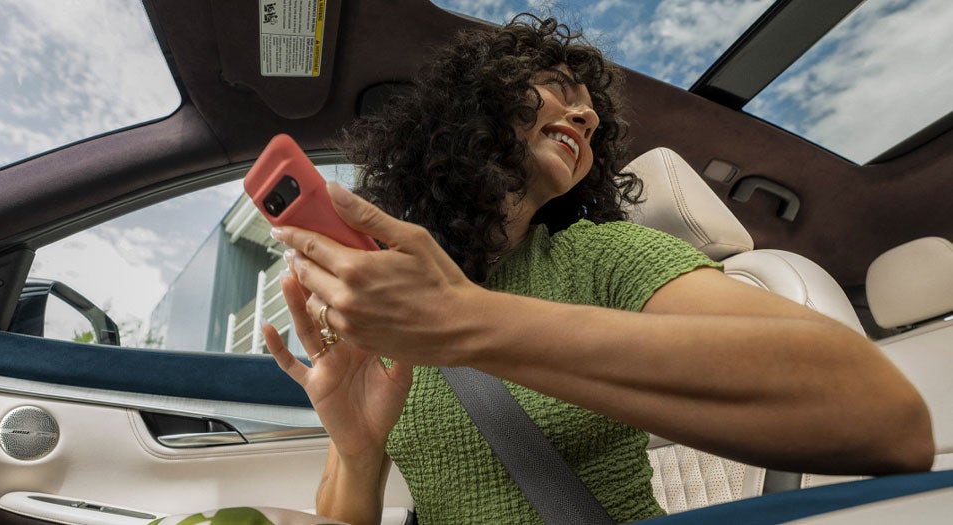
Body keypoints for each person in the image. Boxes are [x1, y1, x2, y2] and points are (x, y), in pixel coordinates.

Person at [262, 14, 934, 525]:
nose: (585, 114)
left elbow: (884, 418)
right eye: (558, 90)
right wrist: (356, 449)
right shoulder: (393, 306)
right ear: (477, 106)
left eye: (591, 114)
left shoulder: (605, 257)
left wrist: (461, 321)